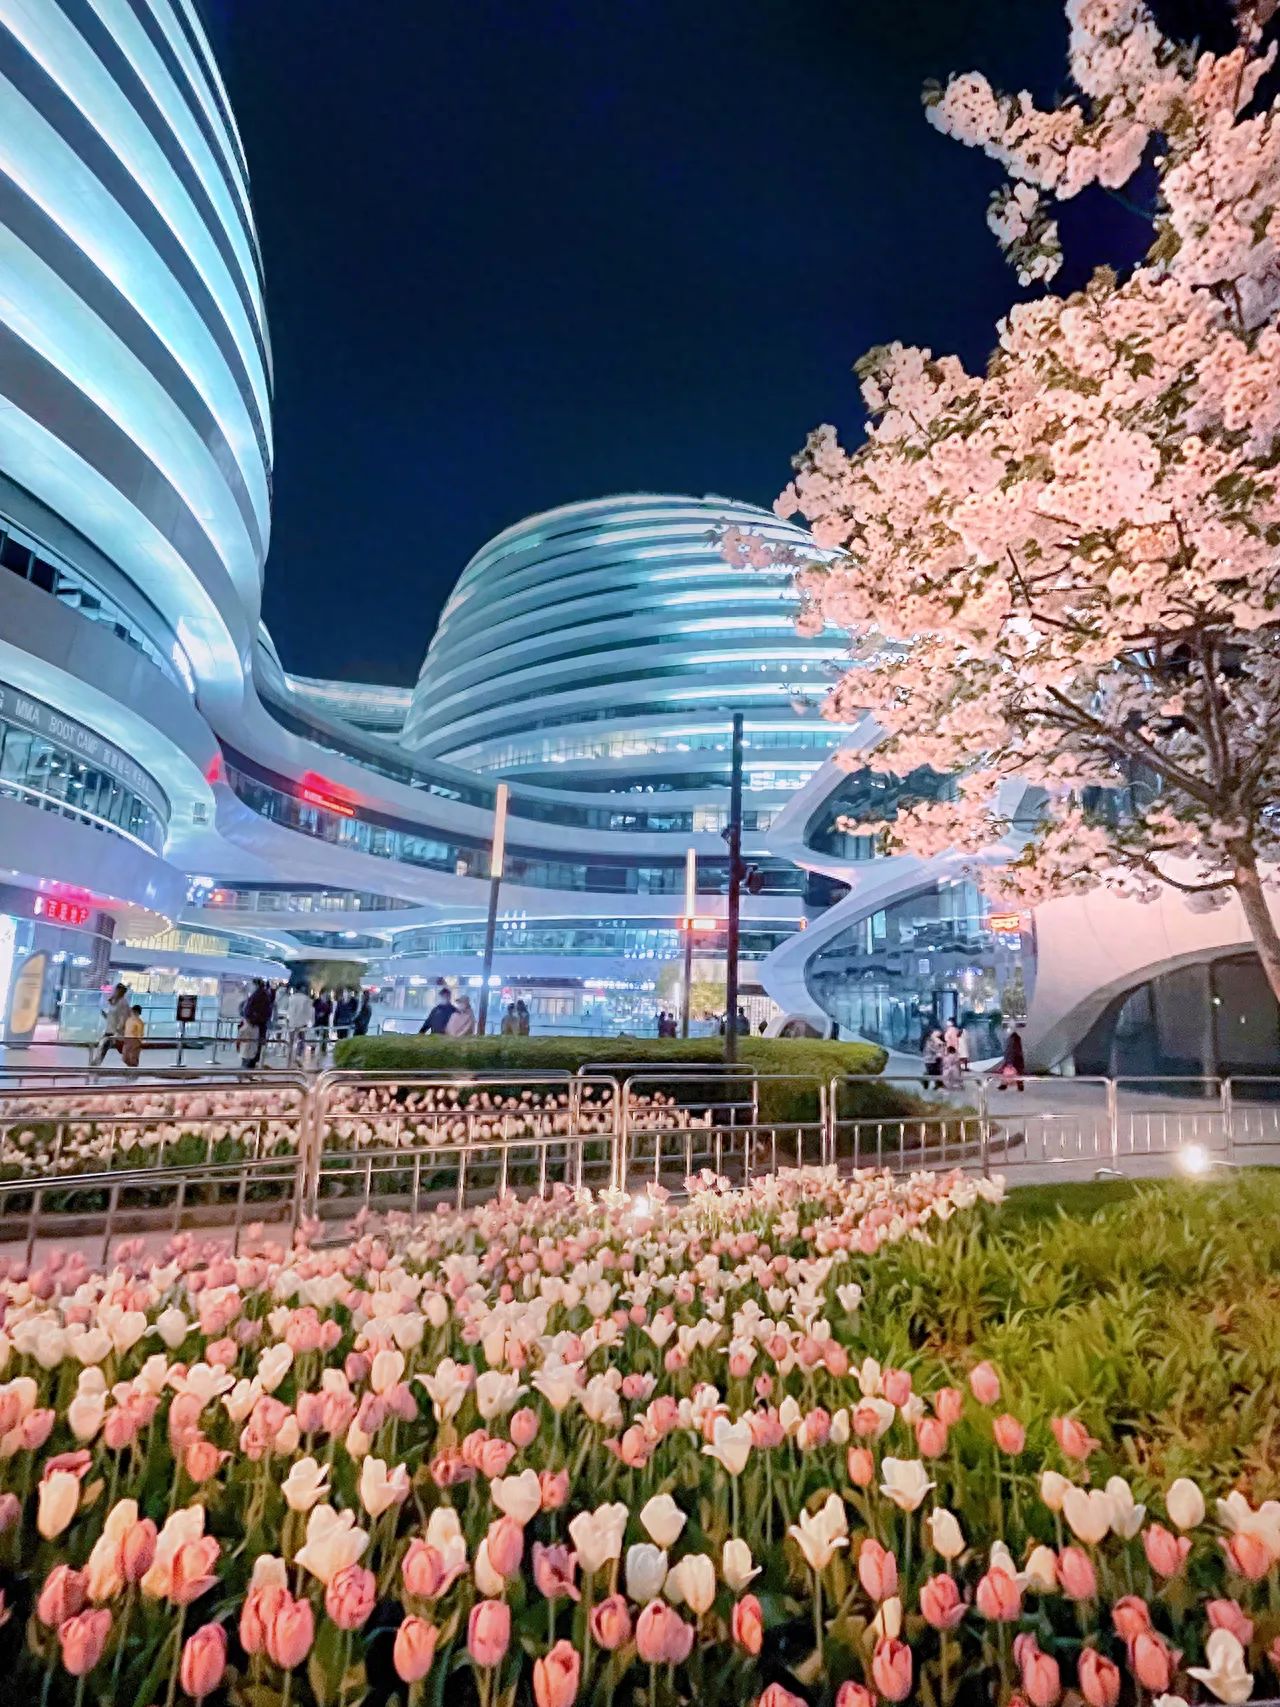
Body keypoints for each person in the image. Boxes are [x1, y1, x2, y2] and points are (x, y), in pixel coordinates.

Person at [91, 983, 130, 1065]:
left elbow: (123, 1017)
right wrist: (105, 1015)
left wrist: (119, 1028)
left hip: (115, 1031)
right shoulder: (115, 1002)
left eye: (115, 990)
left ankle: (96, 1062)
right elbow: (113, 1017)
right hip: (110, 1029)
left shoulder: (123, 1002)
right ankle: (97, 1062)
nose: (113, 992)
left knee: (104, 1044)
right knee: (103, 1045)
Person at [242, 978, 272, 1068]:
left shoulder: (258, 995)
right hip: (259, 1025)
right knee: (254, 1048)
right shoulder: (264, 994)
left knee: (251, 1048)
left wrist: (250, 1019)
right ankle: (250, 1065)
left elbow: (249, 1010)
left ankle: (248, 1067)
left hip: (255, 1025)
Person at [283, 984, 313, 1064]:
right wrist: (308, 1022)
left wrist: (288, 1019)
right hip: (302, 1023)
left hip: (292, 1022)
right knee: (301, 1040)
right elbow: (308, 1012)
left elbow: (288, 1009)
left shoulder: (291, 997)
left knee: (291, 1040)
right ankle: (298, 1056)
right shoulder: (306, 999)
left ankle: (290, 1055)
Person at [997, 1026, 1026, 1092]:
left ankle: (1017, 1084)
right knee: (1016, 1071)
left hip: (1012, 1063)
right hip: (1015, 1063)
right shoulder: (1016, 1041)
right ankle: (1019, 1084)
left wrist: (1007, 1065)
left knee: (1011, 1052)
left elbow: (1010, 1053)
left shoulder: (1012, 1041)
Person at [121, 1003, 145, 1068]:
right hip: (128, 1039)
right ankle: (131, 1068)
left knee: (132, 1057)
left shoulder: (138, 1022)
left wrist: (140, 1042)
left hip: (134, 1040)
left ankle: (132, 1069)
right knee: (126, 1057)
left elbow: (140, 1033)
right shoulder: (129, 1020)